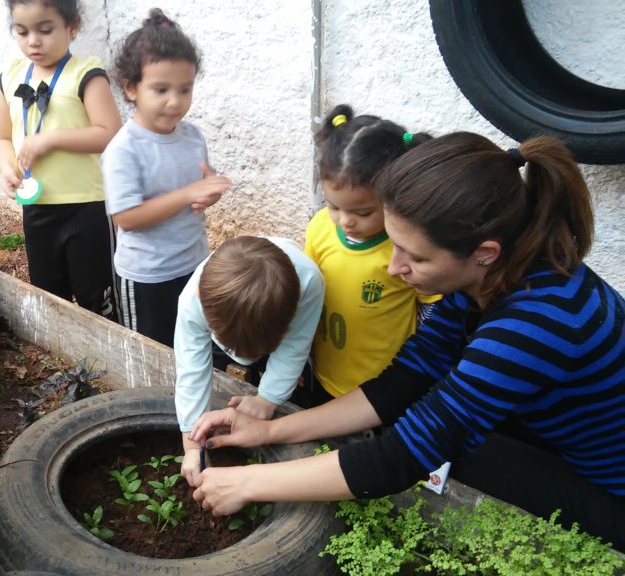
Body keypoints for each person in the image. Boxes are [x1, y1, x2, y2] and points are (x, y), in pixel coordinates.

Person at [188, 132, 625, 550]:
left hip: (612, 494)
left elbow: (402, 457)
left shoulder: (535, 323)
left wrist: (248, 483)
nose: (395, 268)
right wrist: (270, 429)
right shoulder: (490, 277)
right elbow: (406, 379)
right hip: (568, 439)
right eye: (393, 244)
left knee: (455, 458)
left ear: (484, 252)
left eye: (415, 256)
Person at [101, 8, 230, 347]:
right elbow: (127, 218)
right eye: (161, 90)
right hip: (146, 276)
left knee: (193, 344)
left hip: (193, 263)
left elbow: (194, 190)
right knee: (151, 352)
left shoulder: (192, 137)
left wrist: (208, 191)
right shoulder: (124, 149)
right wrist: (189, 193)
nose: (175, 102)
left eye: (185, 89)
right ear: (131, 88)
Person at [296, 104, 437, 407]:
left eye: (362, 212)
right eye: (334, 206)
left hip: (382, 389)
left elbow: (431, 315)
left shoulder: (404, 251)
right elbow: (306, 292)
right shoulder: (321, 226)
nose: (345, 221)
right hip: (324, 373)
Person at [0, 0, 121, 321]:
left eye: (45, 29)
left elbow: (110, 133)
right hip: (37, 209)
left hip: (87, 208)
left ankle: (109, 366)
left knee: (100, 301)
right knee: (49, 297)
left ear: (72, 26)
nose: (33, 41)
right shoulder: (9, 77)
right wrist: (8, 166)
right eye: (21, 31)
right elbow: (2, 139)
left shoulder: (86, 74)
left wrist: (50, 139)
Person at [176, 236, 324, 486]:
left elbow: (295, 347)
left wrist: (267, 399)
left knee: (292, 382)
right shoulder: (193, 300)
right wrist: (192, 445)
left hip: (270, 328)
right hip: (236, 324)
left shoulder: (309, 282)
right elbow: (191, 369)